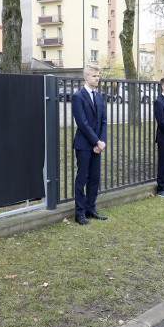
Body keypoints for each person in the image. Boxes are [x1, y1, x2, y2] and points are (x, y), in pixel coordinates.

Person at [72, 65, 108, 225]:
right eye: (94, 76)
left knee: (95, 178)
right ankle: (79, 213)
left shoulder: (99, 96)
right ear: (86, 77)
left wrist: (101, 142)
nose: (97, 78)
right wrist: (96, 141)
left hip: (97, 145)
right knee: (82, 178)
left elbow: (103, 122)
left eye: (98, 75)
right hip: (84, 145)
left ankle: (90, 209)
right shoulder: (78, 96)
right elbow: (82, 123)